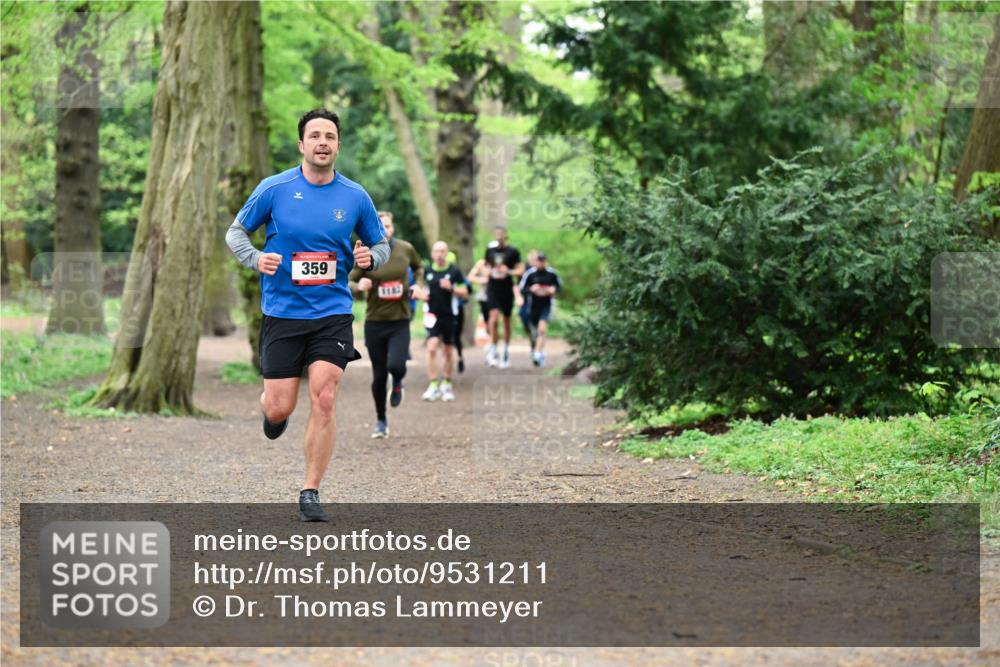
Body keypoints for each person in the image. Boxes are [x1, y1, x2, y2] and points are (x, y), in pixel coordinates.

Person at [225, 108, 390, 522]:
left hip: (332, 312)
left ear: (337, 145)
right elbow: (235, 232)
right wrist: (256, 257)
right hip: (282, 312)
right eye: (314, 135)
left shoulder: (355, 196)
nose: (322, 142)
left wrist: (370, 258)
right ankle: (271, 412)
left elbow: (381, 245)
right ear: (301, 144)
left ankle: (311, 491)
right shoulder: (274, 188)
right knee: (280, 406)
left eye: (329, 136)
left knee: (325, 396)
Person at [349, 211, 423, 439]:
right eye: (381, 226)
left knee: (397, 366)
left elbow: (419, 268)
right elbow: (350, 279)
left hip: (400, 319)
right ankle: (381, 420)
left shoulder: (405, 249)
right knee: (379, 375)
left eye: (388, 226)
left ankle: (399, 381)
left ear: (393, 228)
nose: (385, 230)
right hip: (374, 322)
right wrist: (359, 284)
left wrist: (419, 285)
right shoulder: (367, 252)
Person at [421, 241, 469, 401]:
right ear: (432, 254)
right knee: (432, 347)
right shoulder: (427, 270)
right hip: (432, 316)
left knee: (448, 350)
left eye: (442, 251)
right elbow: (421, 289)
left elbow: (465, 293)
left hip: (450, 315)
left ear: (447, 252)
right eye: (436, 251)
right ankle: (434, 384)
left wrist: (452, 288)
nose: (439, 254)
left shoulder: (454, 271)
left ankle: (447, 383)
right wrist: (421, 294)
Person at [483, 225, 524, 369]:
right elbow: (485, 266)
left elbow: (520, 270)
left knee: (506, 320)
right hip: (493, 287)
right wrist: (489, 271)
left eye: (501, 233)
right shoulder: (490, 250)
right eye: (497, 233)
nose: (499, 236)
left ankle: (505, 350)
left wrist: (508, 271)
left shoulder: (513, 251)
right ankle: (493, 349)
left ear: (506, 235)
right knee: (493, 318)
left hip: (506, 288)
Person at [519, 252, 562, 367]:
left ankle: (537, 353)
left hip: (546, 305)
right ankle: (537, 350)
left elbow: (559, 287)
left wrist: (553, 290)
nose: (541, 263)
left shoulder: (551, 274)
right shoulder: (530, 274)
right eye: (539, 261)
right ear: (536, 261)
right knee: (535, 333)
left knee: (542, 330)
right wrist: (531, 289)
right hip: (533, 306)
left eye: (543, 261)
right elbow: (522, 289)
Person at [518, 249, 540, 351]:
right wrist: (519, 297)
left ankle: (537, 338)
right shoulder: (524, 270)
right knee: (523, 315)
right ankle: (531, 333)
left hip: (539, 300)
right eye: (531, 257)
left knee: (537, 320)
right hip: (526, 298)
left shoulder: (542, 269)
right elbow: (518, 285)